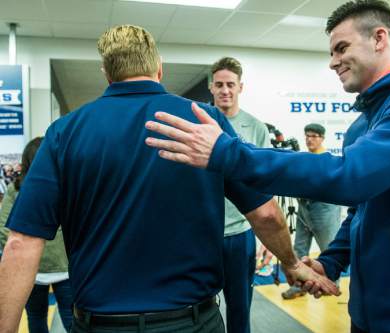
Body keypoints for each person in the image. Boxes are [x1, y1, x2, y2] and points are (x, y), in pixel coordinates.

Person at [144, 0, 390, 331]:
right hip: (372, 310)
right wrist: (331, 261)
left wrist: (227, 153)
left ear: (380, 38)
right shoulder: (363, 123)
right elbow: (363, 210)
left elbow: (350, 178)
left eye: (341, 48)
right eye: (331, 52)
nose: (333, 61)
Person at [0, 25, 337, 333]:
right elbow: (264, 213)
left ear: (107, 74)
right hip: (191, 322)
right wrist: (291, 264)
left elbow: (21, 243)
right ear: (159, 69)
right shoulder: (204, 121)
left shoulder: (64, 133)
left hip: (100, 324)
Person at [209, 56, 270, 333]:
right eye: (219, 84)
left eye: (230, 84)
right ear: (211, 87)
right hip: (203, 233)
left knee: (239, 308)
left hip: (240, 233)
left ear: (240, 87)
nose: (225, 90)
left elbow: (265, 183)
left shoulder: (256, 128)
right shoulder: (197, 121)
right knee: (200, 308)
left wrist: (267, 237)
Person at [0, 137, 73, 333]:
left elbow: (4, 229)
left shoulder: (16, 189)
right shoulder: (70, 186)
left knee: (36, 316)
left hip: (29, 270)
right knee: (71, 317)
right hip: (66, 267)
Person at [281, 124, 342, 300]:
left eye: (314, 136)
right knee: (299, 247)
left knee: (328, 247)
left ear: (322, 138)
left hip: (324, 208)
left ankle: (333, 283)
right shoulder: (305, 157)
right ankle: (297, 285)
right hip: (304, 207)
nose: (309, 139)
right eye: (307, 135)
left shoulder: (328, 159)